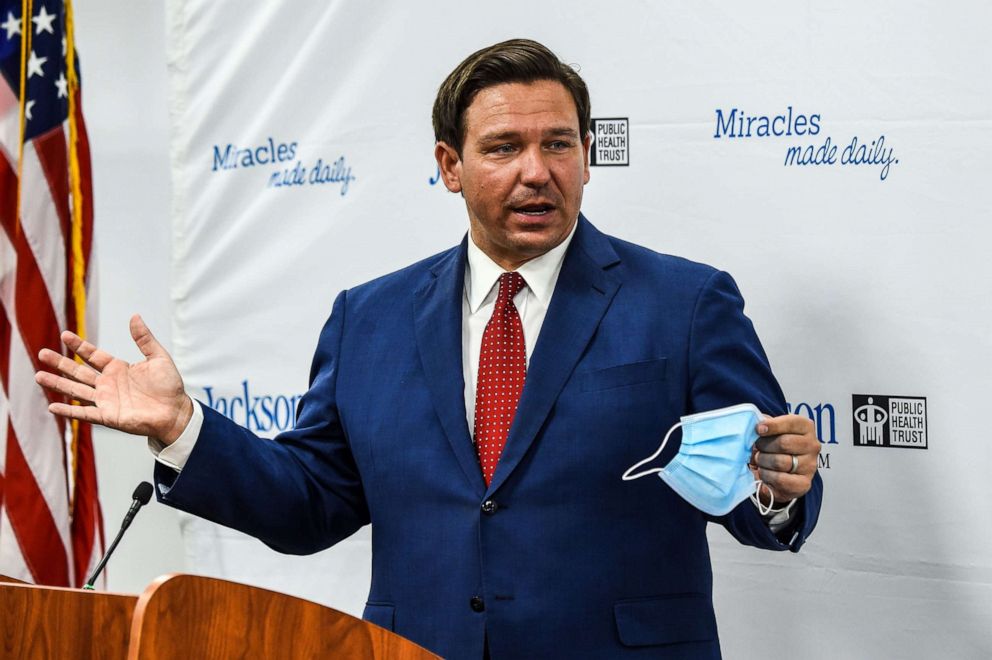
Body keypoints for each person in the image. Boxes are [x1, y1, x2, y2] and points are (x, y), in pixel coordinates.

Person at [37, 39, 822, 659]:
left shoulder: (686, 304)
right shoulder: (368, 319)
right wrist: (185, 430)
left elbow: (761, 481)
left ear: (588, 153)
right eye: (503, 147)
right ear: (449, 165)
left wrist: (780, 489)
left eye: (558, 144)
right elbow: (313, 501)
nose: (536, 172)